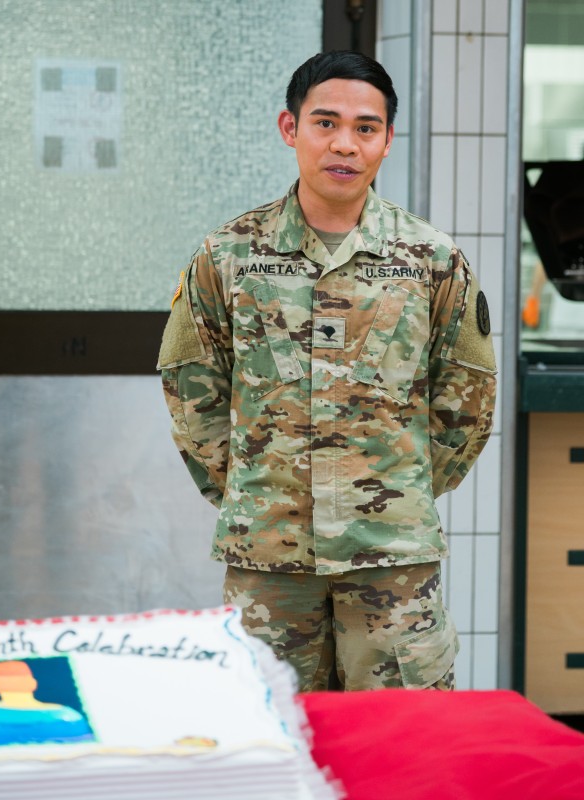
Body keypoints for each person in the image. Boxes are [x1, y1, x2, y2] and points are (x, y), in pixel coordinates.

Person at [158, 51, 497, 692]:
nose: (345, 143)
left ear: (388, 140)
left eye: (366, 127)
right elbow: (190, 386)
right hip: (269, 557)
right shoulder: (228, 254)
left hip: (392, 559)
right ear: (291, 128)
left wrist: (400, 488)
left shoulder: (431, 258)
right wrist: (256, 488)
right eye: (326, 122)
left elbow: (468, 400)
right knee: (270, 744)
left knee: (400, 754)